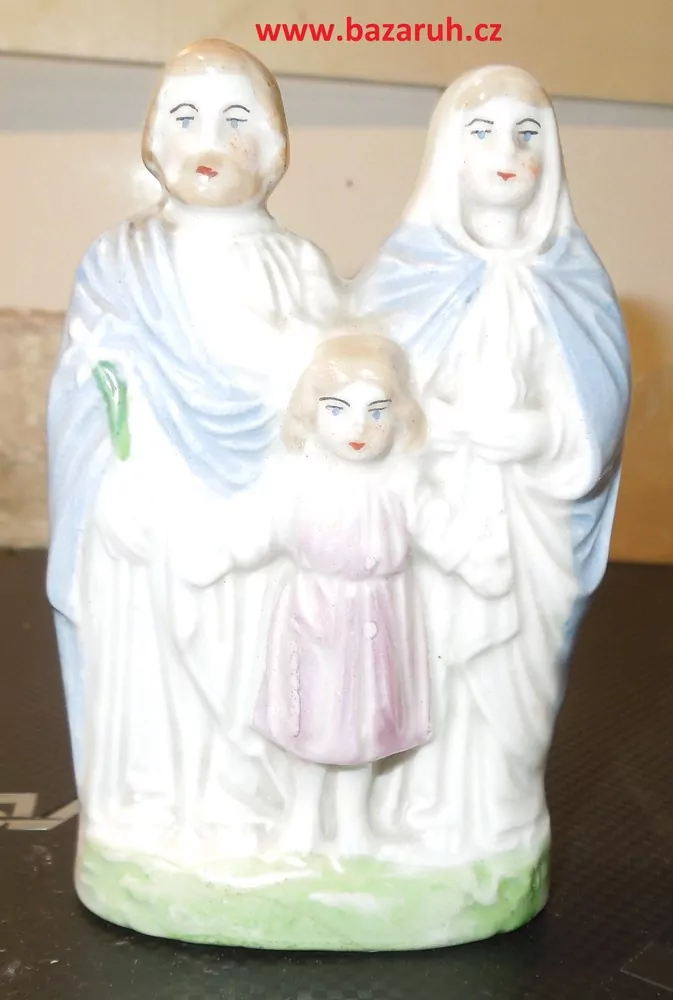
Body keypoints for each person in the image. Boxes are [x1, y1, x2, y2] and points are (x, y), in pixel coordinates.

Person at [47, 38, 341, 858]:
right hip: (151, 513)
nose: (208, 139)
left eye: (234, 119)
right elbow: (89, 388)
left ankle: (251, 807)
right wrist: (118, 480)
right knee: (155, 675)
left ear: (274, 146)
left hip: (265, 521)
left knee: (253, 669)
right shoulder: (120, 261)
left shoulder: (299, 266)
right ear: (153, 140)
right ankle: (151, 807)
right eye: (185, 117)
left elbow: (334, 389)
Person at [352, 65, 631, 862]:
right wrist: (436, 427)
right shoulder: (405, 272)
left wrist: (542, 434)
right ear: (448, 150)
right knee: (426, 663)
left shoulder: (574, 278)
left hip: (529, 523)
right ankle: (411, 810)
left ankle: (498, 823)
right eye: (482, 133)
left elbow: (598, 406)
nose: (507, 153)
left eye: (526, 134)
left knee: (516, 675)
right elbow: (362, 388)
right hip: (436, 515)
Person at [176, 331, 508, 855]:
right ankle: (302, 819)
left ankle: (354, 826)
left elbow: (436, 526)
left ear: (398, 415)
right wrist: (217, 555)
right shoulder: (301, 482)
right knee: (311, 718)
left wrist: (475, 560)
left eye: (376, 412)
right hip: (314, 615)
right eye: (338, 409)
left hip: (379, 618)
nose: (359, 427)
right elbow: (261, 528)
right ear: (311, 411)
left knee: (364, 724)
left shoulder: (399, 483)